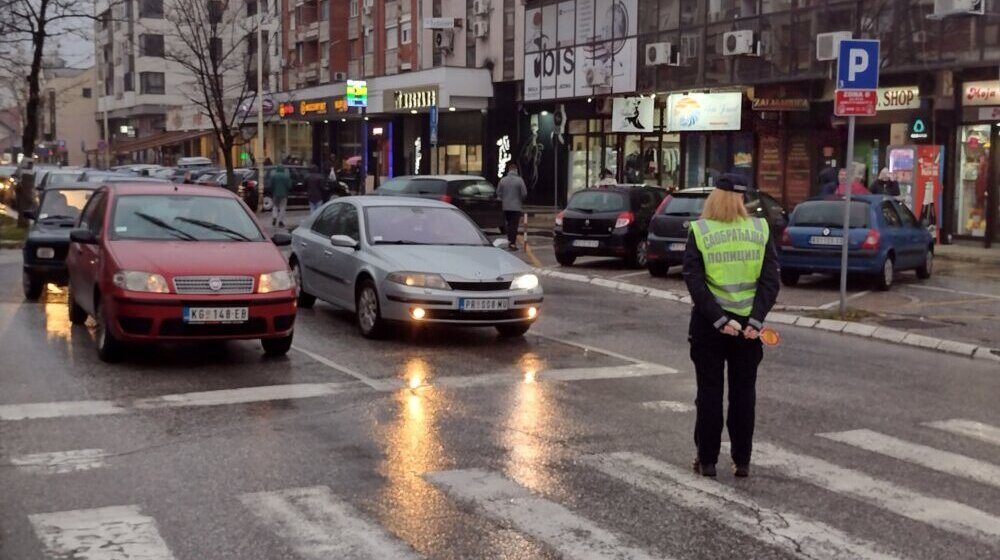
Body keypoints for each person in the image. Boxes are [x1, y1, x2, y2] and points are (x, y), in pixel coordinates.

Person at [682, 173, 780, 479]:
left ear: (714, 197)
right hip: (748, 330)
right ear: (741, 199)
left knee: (709, 393)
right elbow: (770, 281)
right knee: (743, 394)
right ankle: (742, 461)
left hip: (711, 326)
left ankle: (708, 460)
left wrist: (719, 320)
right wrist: (754, 321)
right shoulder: (759, 229)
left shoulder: (700, 231)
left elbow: (695, 282)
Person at [497, 162, 527, 251]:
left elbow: (498, 193)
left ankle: (509, 241)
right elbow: (524, 193)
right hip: (516, 207)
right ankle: (512, 243)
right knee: (514, 225)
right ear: (516, 170)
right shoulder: (520, 180)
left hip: (505, 207)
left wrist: (504, 199)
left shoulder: (503, 180)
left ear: (509, 170)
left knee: (508, 224)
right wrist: (520, 200)